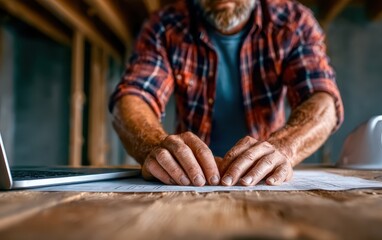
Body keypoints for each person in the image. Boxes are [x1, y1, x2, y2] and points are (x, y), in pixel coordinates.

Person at [109, 0, 344, 187]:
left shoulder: (294, 21)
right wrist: (155, 147)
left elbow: (321, 97)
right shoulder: (165, 25)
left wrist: (284, 147)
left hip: (263, 180)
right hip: (188, 180)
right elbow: (134, 96)